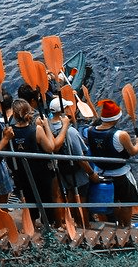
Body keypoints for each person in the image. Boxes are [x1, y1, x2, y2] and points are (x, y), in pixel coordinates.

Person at [85, 99, 138, 227]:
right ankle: (127, 226)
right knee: (127, 202)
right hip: (120, 175)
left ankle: (118, 224)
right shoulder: (121, 135)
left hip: (101, 173)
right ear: (116, 118)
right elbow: (133, 152)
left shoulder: (90, 130)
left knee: (114, 200)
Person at [10, 98, 68, 226]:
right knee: (46, 197)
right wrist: (46, 125)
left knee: (29, 197)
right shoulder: (36, 130)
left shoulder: (9, 131)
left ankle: (31, 222)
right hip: (40, 172)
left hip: (21, 173)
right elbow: (50, 147)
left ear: (14, 115)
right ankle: (48, 224)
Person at [49, 97, 95, 227]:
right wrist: (92, 174)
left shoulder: (47, 126)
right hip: (75, 171)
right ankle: (84, 224)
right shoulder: (71, 132)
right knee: (81, 198)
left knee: (70, 193)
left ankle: (74, 222)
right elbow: (80, 158)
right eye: (68, 107)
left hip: (61, 170)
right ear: (63, 110)